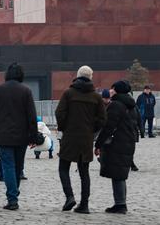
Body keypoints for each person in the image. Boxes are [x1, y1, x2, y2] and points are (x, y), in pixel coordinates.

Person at [0, 63, 37, 211]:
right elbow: (32, 116)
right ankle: (14, 195)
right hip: (21, 136)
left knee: (8, 166)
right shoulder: (26, 91)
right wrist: (33, 135)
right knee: (18, 167)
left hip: (3, 135)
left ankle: (12, 198)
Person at [54, 65, 106, 213]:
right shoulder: (96, 96)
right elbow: (102, 119)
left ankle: (69, 196)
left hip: (69, 137)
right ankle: (84, 204)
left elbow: (59, 113)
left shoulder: (68, 93)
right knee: (84, 172)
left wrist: (64, 127)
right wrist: (91, 129)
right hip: (86, 138)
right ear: (91, 77)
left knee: (63, 167)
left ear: (77, 76)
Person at [95, 80, 138, 215]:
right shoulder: (131, 105)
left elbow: (108, 127)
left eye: (112, 89)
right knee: (121, 174)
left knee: (117, 174)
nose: (111, 91)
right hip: (128, 142)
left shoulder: (116, 105)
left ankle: (120, 204)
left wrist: (98, 144)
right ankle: (120, 203)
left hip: (117, 142)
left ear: (117, 90)